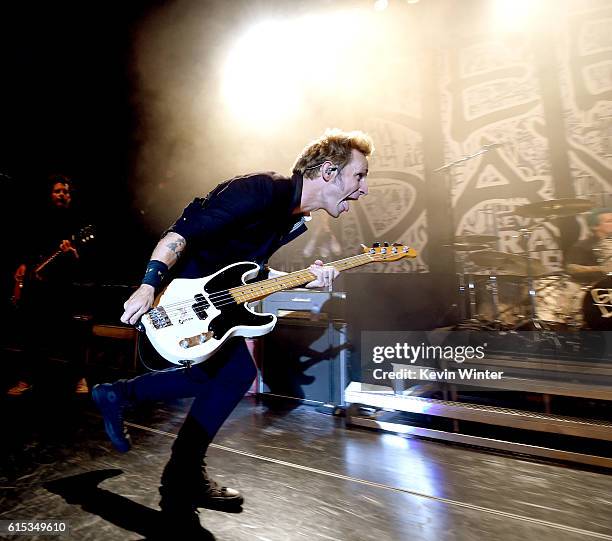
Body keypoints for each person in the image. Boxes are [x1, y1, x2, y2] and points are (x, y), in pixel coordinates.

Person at [92, 129, 373, 517]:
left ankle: (131, 413)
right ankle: (172, 463)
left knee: (228, 374)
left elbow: (249, 274)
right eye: (359, 176)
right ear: (328, 171)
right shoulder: (260, 191)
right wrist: (148, 285)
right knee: (232, 373)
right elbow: (182, 233)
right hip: (185, 297)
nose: (364, 189)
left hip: (218, 304)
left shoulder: (293, 219)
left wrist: (308, 275)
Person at [7, 175, 90, 397]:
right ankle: (26, 380)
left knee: (69, 335)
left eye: (66, 191)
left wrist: (72, 252)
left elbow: (84, 259)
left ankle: (80, 378)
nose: (62, 194)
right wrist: (24, 265)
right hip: (37, 288)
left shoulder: (76, 223)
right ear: (50, 194)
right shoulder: (38, 219)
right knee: (32, 335)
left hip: (61, 287)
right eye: (57, 191)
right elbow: (28, 247)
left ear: (70, 196)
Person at [566, 207, 612, 284]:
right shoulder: (582, 246)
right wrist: (602, 268)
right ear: (595, 226)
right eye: (609, 221)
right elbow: (571, 268)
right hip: (597, 289)